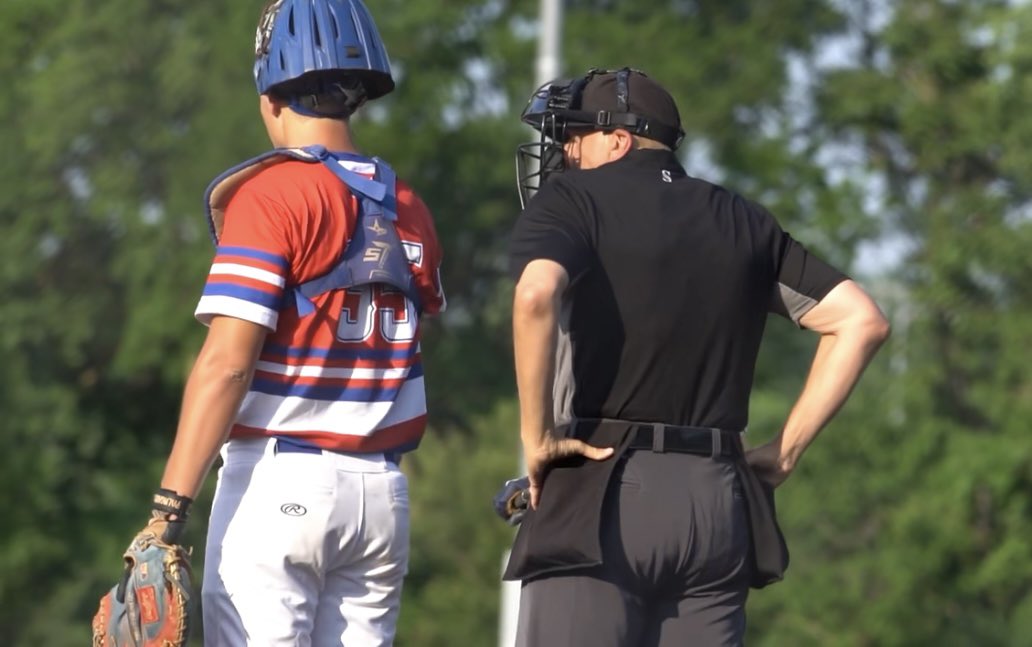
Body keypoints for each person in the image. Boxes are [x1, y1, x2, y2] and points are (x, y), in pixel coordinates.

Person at [504, 67, 890, 646]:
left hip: (600, 488)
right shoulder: (743, 219)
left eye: (574, 136)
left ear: (618, 137)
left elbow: (535, 295)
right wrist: (784, 454)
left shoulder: (575, 200)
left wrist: (536, 439)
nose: (564, 152)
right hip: (716, 501)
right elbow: (861, 321)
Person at [127, 1, 445, 644]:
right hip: (381, 496)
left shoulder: (274, 193)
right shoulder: (410, 205)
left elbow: (228, 363)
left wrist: (167, 511)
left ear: (271, 95)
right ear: (356, 95)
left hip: (281, 483)